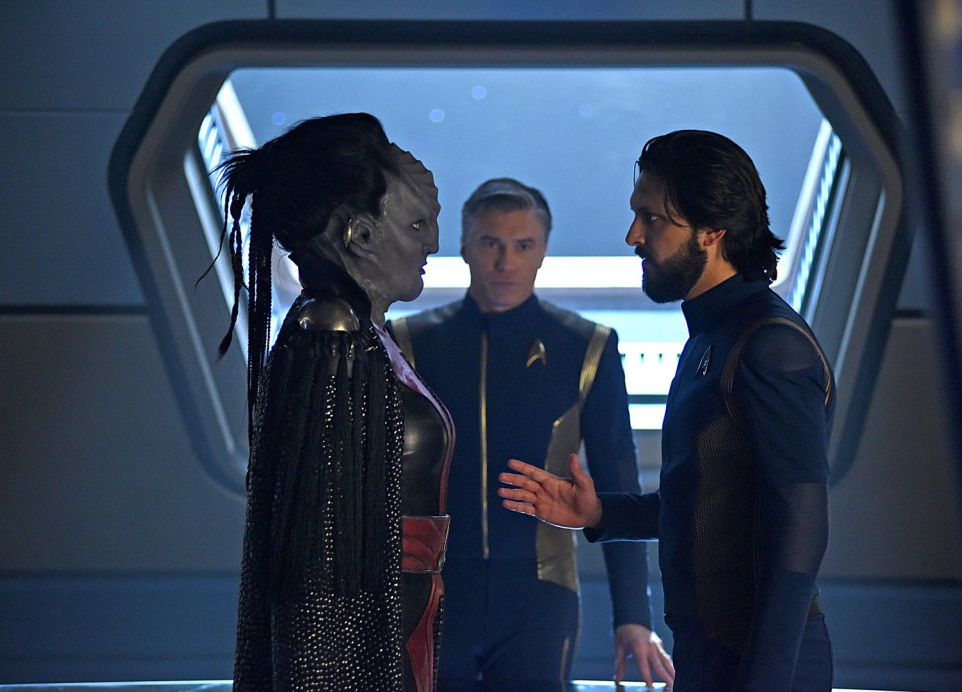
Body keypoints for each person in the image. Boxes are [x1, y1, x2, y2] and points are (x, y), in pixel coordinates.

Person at [499, 130, 835, 691]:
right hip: (715, 655)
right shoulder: (714, 337)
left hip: (760, 665)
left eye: (651, 218)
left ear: (712, 231)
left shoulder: (769, 345)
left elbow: (800, 532)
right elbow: (710, 501)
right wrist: (600, 513)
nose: (633, 235)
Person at [388, 178, 673, 690]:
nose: (506, 262)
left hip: (539, 598)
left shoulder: (586, 346)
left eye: (523, 245)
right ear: (464, 247)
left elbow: (618, 485)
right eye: (490, 243)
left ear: (543, 251)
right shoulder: (407, 343)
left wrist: (634, 617)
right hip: (429, 591)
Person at [213, 113, 452, 691]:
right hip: (364, 640)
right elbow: (320, 559)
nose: (433, 243)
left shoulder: (360, 335)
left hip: (393, 619)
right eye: (417, 224)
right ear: (360, 237)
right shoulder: (333, 335)